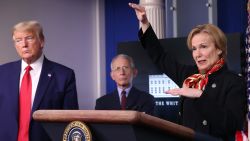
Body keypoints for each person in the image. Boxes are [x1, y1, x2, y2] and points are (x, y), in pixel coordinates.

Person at [129, 3, 247, 140]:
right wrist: (144, 23)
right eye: (194, 49)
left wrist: (200, 95)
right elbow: (160, 57)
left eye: (203, 47)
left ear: (219, 48)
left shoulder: (233, 81)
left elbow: (233, 124)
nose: (198, 54)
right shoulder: (190, 77)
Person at [0, 20, 79, 141]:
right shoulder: (3, 73)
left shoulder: (64, 75)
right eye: (18, 40)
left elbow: (71, 123)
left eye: (29, 38)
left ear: (41, 41)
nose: (24, 44)